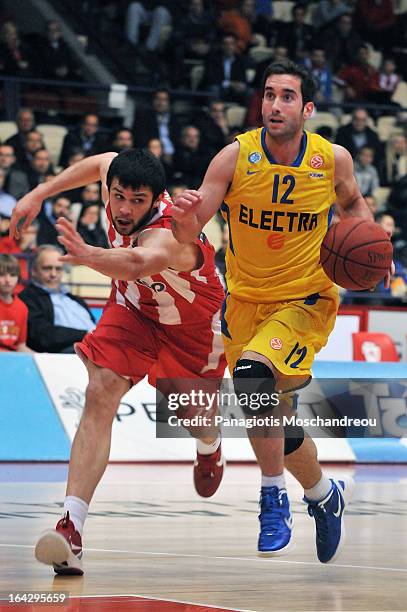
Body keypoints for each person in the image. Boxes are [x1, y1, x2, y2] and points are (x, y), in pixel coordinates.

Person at [172, 59, 393, 562]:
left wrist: (376, 244)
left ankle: (273, 501)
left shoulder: (331, 159)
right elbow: (194, 224)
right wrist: (185, 221)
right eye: (269, 94)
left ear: (308, 108)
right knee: (269, 415)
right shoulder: (234, 158)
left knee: (251, 377)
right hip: (245, 301)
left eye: (287, 96)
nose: (274, 104)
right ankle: (323, 495)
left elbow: (355, 206)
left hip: (306, 299)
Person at [10, 148, 227, 575]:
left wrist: (87, 255)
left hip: (191, 325)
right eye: (118, 197)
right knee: (100, 390)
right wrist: (40, 192)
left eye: (137, 200)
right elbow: (97, 163)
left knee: (191, 415)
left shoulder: (171, 232)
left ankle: (210, 446)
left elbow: (136, 261)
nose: (124, 209)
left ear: (157, 198)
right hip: (133, 311)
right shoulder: (115, 179)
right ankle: (71, 526)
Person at [19, 245, 96, 353]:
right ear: (34, 271)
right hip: (66, 353)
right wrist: (85, 334)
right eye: (47, 268)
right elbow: (42, 335)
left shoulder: (75, 299)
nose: (53, 274)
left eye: (58, 269)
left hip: (95, 345)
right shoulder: (28, 298)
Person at [0, 254, 32, 352]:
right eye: (1, 275)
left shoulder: (22, 308)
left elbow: (21, 346)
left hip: (14, 359)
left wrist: (42, 358)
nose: (8, 280)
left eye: (13, 275)